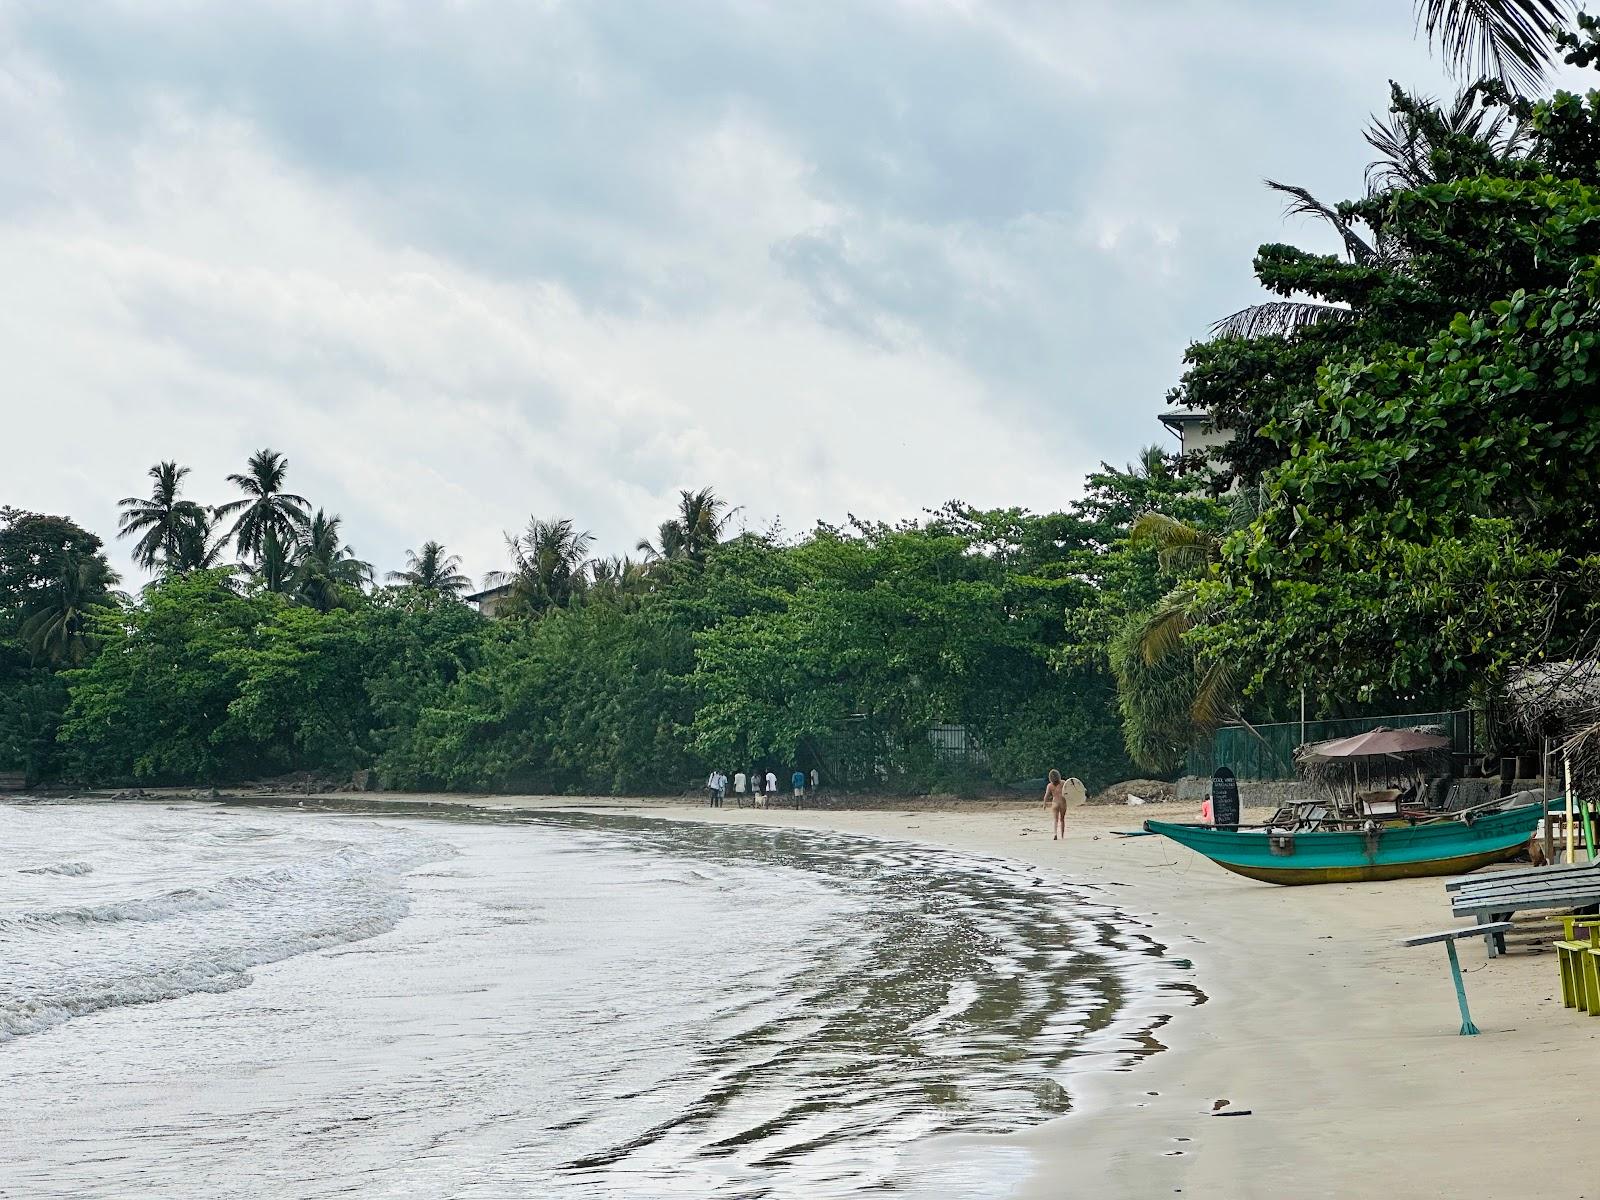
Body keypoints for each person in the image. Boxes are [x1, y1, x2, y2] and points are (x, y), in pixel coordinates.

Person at [1044, 768, 1067, 841]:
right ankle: (1062, 836)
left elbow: (1046, 795)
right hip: (1063, 802)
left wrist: (1044, 804)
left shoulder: (1049, 785)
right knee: (1062, 819)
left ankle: (1055, 834)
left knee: (1055, 819)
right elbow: (1070, 789)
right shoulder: (1063, 782)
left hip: (1055, 803)